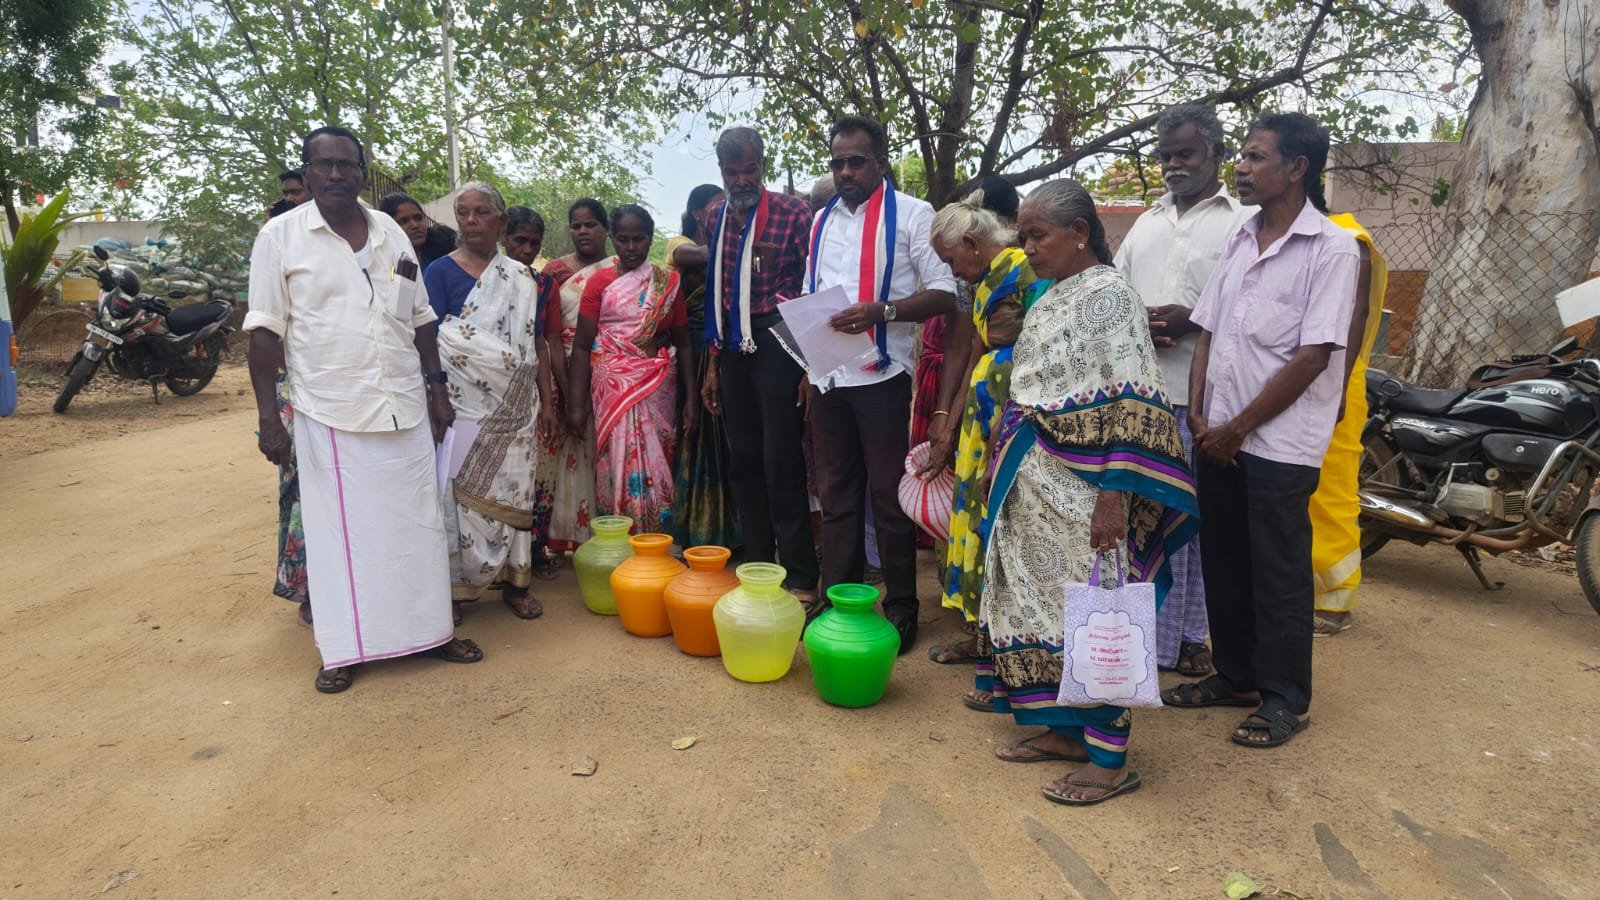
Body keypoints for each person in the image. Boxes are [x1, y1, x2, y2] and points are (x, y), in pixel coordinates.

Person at [246, 126, 483, 694]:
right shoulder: (280, 237)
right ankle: (343, 646)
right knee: (338, 538)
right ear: (305, 172)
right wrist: (267, 420)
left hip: (402, 402)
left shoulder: (392, 236)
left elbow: (421, 317)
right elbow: (262, 335)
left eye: (346, 165)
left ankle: (432, 632)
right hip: (330, 407)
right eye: (322, 165)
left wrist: (437, 389)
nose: (334, 175)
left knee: (418, 526)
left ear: (361, 171)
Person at [983, 178, 1198, 805]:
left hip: (1084, 484)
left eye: (1038, 235)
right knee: (1034, 602)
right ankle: (1063, 731)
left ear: (1080, 234)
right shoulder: (1055, 293)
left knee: (1092, 608)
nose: (1027, 248)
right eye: (1023, 236)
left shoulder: (1110, 298)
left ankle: (1109, 758)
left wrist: (1114, 491)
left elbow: (1133, 395)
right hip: (1032, 475)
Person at [1164, 113, 1359, 749]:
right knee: (1225, 559)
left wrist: (1237, 427)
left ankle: (1283, 699)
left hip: (1278, 443)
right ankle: (1237, 675)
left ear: (1297, 167)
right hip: (1218, 433)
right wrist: (1199, 414)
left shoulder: (1331, 249)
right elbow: (1209, 332)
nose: (1241, 169)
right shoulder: (1242, 240)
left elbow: (1313, 357)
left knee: (1277, 571)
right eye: (1242, 158)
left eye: (1254, 158)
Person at [806, 115, 958, 651]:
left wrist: (884, 309)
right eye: (838, 162)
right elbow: (812, 296)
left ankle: (900, 606)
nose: (846, 171)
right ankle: (837, 596)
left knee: (887, 496)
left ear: (881, 162)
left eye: (856, 161)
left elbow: (945, 292)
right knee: (836, 493)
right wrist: (808, 367)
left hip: (883, 374)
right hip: (827, 375)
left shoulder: (915, 216)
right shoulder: (821, 222)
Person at [1113, 103, 1252, 677]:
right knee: (1142, 519)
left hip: (1204, 400)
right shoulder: (1146, 222)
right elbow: (1114, 291)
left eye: (1185, 153)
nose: (1173, 165)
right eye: (1165, 155)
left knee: (1193, 523)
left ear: (1216, 153)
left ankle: (1193, 637)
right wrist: (1135, 318)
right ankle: (1141, 642)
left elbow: (1255, 304)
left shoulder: (1243, 221)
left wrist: (1194, 316)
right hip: (1141, 395)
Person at [922, 189, 1038, 709]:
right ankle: (982, 634)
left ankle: (1003, 643)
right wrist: (947, 421)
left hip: (1010, 413)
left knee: (1001, 522)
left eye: (953, 261)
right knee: (974, 517)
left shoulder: (1022, 271)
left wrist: (997, 435)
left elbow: (1026, 354)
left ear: (973, 243)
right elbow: (975, 347)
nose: (956, 273)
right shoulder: (990, 279)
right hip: (984, 409)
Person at [424, 183, 557, 623]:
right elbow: (430, 339)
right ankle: (456, 590)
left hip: (516, 406)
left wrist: (548, 399)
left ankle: (516, 584)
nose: (471, 221)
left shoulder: (523, 279)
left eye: (482, 213)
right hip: (459, 406)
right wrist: (435, 394)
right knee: (454, 493)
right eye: (463, 213)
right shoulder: (439, 273)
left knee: (515, 491)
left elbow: (533, 343)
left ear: (500, 222)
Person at [698, 128, 818, 597]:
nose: (743, 179)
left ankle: (802, 577)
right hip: (730, 346)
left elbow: (813, 285)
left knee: (781, 459)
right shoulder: (714, 215)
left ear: (763, 165)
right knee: (744, 460)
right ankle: (758, 569)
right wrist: (712, 364)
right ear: (722, 173)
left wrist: (810, 364)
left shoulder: (794, 212)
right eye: (733, 172)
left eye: (751, 169)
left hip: (779, 339)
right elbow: (717, 290)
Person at [566, 205, 698, 531]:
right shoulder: (599, 284)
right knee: (615, 463)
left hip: (658, 386)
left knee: (660, 459)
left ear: (650, 238)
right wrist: (576, 405)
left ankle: (660, 538)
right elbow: (582, 346)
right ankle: (621, 539)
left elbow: (683, 343)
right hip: (612, 389)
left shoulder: (668, 282)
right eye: (623, 240)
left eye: (638, 239)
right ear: (613, 239)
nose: (631, 247)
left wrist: (692, 399)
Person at [1311, 215, 1388, 635]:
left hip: (1336, 379)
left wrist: (1336, 388)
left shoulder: (1349, 238)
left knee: (1331, 488)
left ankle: (1336, 598)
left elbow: (1355, 313)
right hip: (1292, 377)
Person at [667, 183, 742, 550]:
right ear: (700, 213)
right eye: (717, 207)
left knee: (731, 440)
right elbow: (697, 256)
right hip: (693, 348)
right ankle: (695, 530)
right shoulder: (678, 243)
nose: (725, 213)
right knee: (696, 436)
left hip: (727, 346)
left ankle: (734, 531)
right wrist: (737, 242)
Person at [539, 199, 614, 551]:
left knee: (603, 449)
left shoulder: (620, 270)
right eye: (576, 225)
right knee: (567, 448)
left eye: (591, 224)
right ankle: (566, 536)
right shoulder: (555, 271)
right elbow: (547, 328)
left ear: (606, 229)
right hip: (563, 366)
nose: (582, 231)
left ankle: (607, 533)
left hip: (609, 371)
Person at [381, 192, 459, 283]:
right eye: (404, 221)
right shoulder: (384, 261)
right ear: (388, 226)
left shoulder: (445, 245)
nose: (415, 225)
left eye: (418, 218)